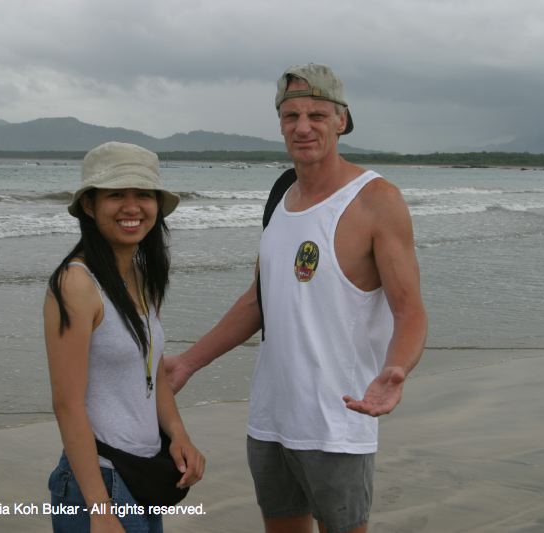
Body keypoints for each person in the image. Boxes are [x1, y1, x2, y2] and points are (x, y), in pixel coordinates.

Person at [165, 64, 428, 533]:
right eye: (291, 116)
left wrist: (398, 368)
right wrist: (188, 363)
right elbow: (257, 301)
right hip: (270, 417)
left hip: (337, 423)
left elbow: (410, 311)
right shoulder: (280, 194)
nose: (302, 127)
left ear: (341, 120)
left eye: (316, 115)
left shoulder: (376, 200)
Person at [44, 142, 205, 533]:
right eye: (116, 194)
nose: (132, 207)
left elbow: (150, 373)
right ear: (89, 205)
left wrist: (178, 433)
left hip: (142, 474)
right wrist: (100, 510)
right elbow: (67, 405)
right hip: (98, 484)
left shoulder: (142, 277)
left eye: (143, 195)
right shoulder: (76, 285)